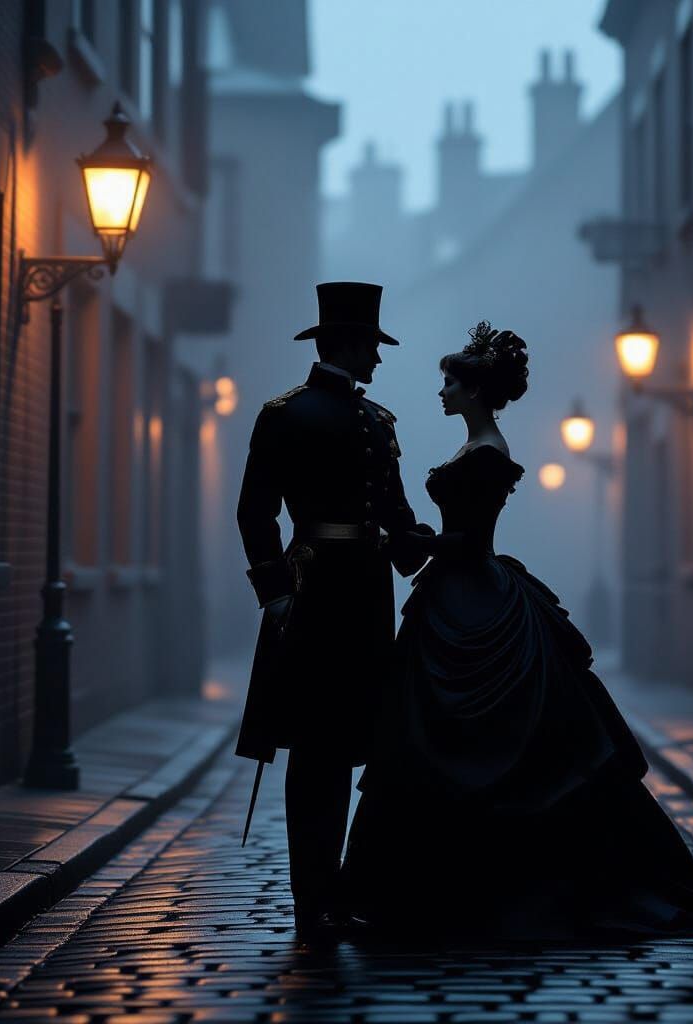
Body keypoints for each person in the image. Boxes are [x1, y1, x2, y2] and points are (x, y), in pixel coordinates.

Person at [340, 321, 693, 942]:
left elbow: (467, 538)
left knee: (486, 739)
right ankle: (428, 886)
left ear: (473, 389)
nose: (440, 390)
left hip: (471, 592)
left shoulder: (489, 451)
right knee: (433, 737)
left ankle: (498, 886)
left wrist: (409, 541)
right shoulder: (474, 445)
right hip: (458, 594)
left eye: (448, 381)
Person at [234, 282, 431, 946]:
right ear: (345, 344)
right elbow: (254, 512)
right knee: (316, 749)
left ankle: (340, 890)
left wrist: (442, 548)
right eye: (372, 347)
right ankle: (312, 895)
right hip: (313, 592)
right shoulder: (284, 415)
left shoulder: (377, 420)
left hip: (369, 595)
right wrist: (277, 593)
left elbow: (393, 517)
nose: (377, 361)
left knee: (357, 742)